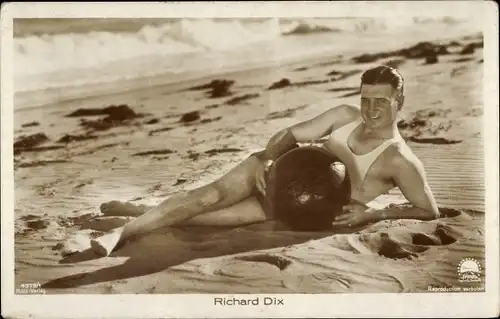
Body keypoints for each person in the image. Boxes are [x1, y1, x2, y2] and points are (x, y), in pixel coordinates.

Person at [90, 65, 440, 256]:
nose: (371, 109)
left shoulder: (400, 160)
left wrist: (374, 213)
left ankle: (140, 210)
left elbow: (429, 210)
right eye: (366, 99)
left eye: (382, 101)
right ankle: (122, 234)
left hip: (289, 208)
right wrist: (265, 159)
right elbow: (291, 135)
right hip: (270, 172)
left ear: (400, 101)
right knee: (204, 198)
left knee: (201, 219)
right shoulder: (343, 115)